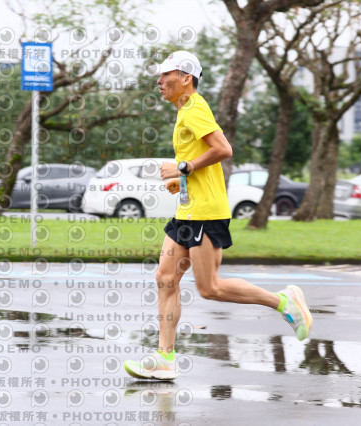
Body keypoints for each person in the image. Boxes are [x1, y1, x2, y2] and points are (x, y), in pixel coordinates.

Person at [124, 51, 313, 380]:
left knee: (210, 288)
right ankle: (165, 358)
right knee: (165, 278)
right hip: (188, 210)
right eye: (159, 75)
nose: (159, 80)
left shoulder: (195, 107)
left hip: (206, 213)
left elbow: (223, 149)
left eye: (166, 74)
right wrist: (183, 180)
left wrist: (183, 167)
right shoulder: (185, 110)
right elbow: (202, 159)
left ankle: (283, 301)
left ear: (186, 78)